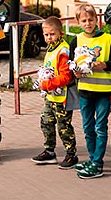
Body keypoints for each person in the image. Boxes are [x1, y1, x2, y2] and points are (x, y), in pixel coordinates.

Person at [69, 4, 111, 179]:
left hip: (103, 91)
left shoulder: (107, 39)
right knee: (87, 128)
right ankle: (92, 159)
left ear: (96, 20)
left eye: (91, 19)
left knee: (100, 127)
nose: (88, 23)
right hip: (85, 90)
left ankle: (98, 164)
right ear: (78, 22)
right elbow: (71, 64)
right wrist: (74, 71)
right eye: (83, 20)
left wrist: (105, 65)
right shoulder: (75, 41)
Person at [31, 16, 78, 168]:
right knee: (46, 122)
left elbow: (65, 77)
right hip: (50, 96)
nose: (49, 37)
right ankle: (49, 151)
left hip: (62, 97)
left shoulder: (62, 51)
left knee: (63, 126)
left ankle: (71, 154)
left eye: (52, 34)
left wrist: (47, 84)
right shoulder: (51, 49)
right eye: (46, 35)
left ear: (60, 33)